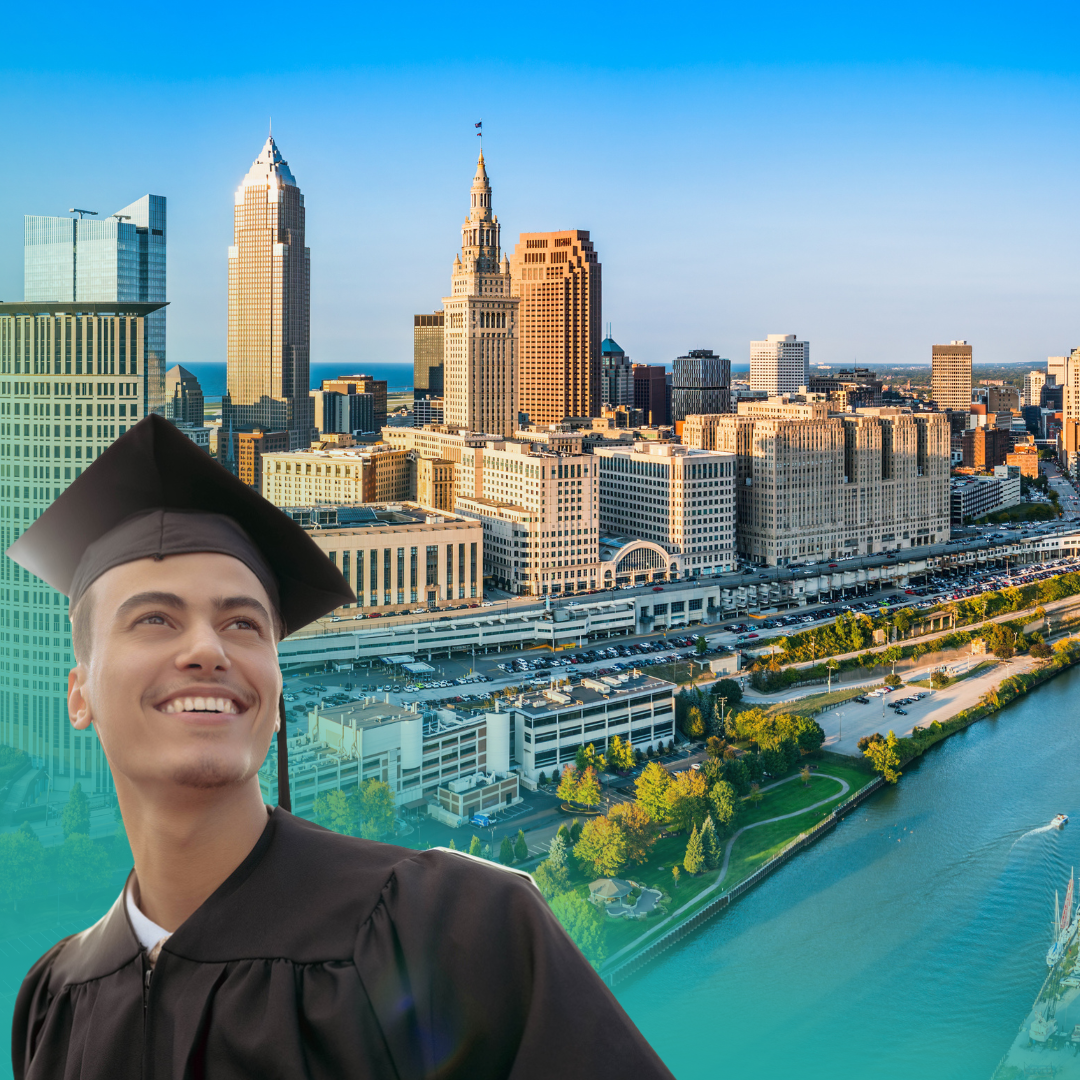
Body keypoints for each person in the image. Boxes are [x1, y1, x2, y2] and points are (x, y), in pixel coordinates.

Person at [10, 416, 673, 1080]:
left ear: (274, 698)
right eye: (154, 618)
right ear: (79, 695)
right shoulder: (53, 1001)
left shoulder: (452, 930)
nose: (208, 650)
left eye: (242, 624)